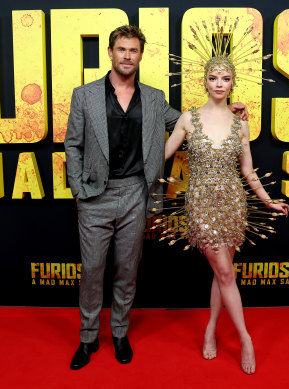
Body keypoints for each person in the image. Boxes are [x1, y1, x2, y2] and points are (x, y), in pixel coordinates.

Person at [64, 25, 248, 370]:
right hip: (94, 196)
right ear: (110, 52)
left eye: (133, 51)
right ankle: (88, 337)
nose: (127, 56)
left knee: (127, 270)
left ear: (140, 56)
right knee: (91, 270)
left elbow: (191, 122)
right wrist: (78, 188)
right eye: (121, 50)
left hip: (136, 192)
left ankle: (120, 333)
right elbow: (72, 144)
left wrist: (224, 109)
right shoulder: (84, 95)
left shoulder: (152, 97)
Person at [164, 55, 289, 374]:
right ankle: (246, 339)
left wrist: (266, 200)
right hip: (201, 202)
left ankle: (210, 329)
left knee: (224, 275)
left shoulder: (241, 122)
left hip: (234, 202)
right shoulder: (188, 119)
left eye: (225, 79)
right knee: (225, 273)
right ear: (204, 81)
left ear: (233, 83)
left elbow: (248, 171)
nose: (219, 84)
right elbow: (162, 155)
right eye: (213, 78)